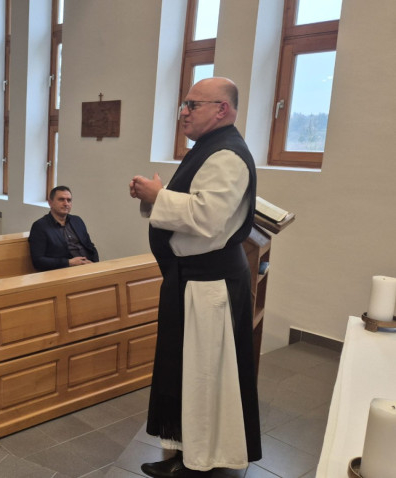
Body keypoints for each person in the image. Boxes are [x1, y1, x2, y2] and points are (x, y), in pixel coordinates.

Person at [129, 77, 260, 477]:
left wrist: (158, 196)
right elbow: (192, 205)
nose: (183, 112)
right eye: (184, 104)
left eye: (192, 105)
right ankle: (184, 452)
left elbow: (207, 217)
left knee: (203, 376)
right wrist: (157, 197)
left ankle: (200, 463)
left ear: (222, 109)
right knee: (184, 371)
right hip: (191, 281)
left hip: (208, 286)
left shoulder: (227, 155)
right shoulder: (207, 147)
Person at [28, 186, 99, 271]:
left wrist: (95, 264)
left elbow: (90, 247)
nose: (66, 204)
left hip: (88, 267)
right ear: (50, 203)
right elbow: (38, 261)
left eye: (69, 200)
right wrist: (69, 262)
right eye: (61, 200)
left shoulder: (77, 221)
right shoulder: (40, 226)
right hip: (64, 271)